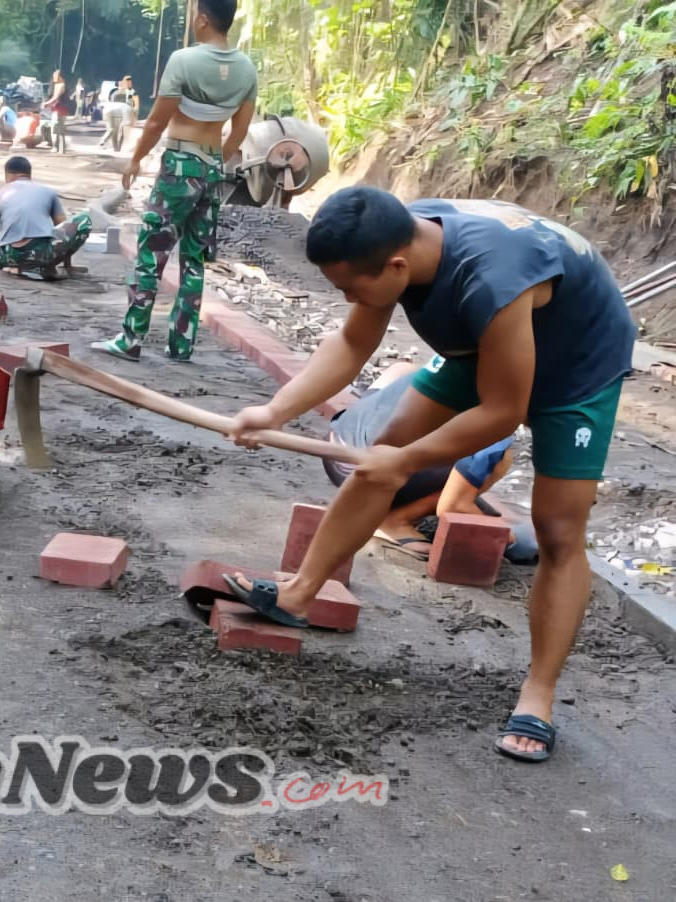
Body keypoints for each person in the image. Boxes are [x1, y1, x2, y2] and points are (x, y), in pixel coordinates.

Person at [225, 188, 637, 764]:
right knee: (383, 455)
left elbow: (503, 411)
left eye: (351, 288)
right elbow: (351, 342)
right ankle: (297, 595)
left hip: (578, 363)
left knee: (558, 529)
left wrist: (410, 461)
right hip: (485, 343)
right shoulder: (396, 235)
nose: (347, 298)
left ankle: (537, 697)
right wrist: (274, 411)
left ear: (397, 266)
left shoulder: (489, 279)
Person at [93, 0, 257, 362]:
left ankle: (131, 339)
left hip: (179, 164)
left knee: (151, 253)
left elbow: (156, 122)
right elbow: (240, 131)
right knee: (195, 260)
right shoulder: (246, 69)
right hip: (212, 168)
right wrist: (215, 159)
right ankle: (181, 344)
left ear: (202, 20)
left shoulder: (184, 60)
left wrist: (135, 159)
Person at [325, 362, 536, 564]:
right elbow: (451, 506)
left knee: (403, 369)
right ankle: (394, 520)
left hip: (337, 448)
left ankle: (450, 485)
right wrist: (509, 538)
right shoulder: (494, 420)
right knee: (498, 458)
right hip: (369, 474)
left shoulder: (474, 359)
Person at [0, 156, 93, 279]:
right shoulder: (48, 192)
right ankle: (44, 266)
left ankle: (18, 266)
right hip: (42, 254)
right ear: (29, 174)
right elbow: (62, 228)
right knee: (84, 219)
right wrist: (67, 265)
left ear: (7, 174)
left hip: (10, 257)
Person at [41, 69, 72, 154]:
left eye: (55, 75)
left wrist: (46, 103)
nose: (54, 76)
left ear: (60, 76)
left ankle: (57, 148)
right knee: (58, 130)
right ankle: (60, 149)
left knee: (56, 130)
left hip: (59, 110)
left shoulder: (60, 85)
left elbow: (55, 97)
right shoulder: (59, 84)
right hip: (60, 109)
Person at [98, 82, 133, 153]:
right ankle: (117, 149)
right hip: (118, 111)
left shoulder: (114, 92)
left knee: (112, 130)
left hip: (108, 110)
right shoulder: (127, 98)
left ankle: (109, 145)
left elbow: (110, 100)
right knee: (119, 132)